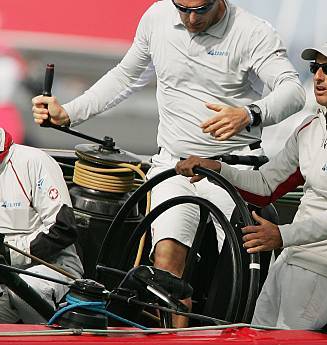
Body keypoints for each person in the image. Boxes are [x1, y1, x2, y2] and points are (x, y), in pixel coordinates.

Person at [31, 0, 305, 326]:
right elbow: (125, 77)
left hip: (233, 170)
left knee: (236, 276)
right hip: (175, 167)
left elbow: (293, 90)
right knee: (165, 270)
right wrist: (70, 112)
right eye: (182, 8)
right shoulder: (157, 18)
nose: (190, 19)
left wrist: (250, 114)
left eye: (200, 10)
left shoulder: (253, 32)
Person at [176, 37, 327, 330]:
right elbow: (267, 185)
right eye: (314, 67)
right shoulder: (309, 128)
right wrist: (216, 168)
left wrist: (282, 235)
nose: (318, 76)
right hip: (290, 260)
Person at [0, 127, 84, 323]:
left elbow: (63, 228)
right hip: (5, 277)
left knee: (25, 289)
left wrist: (8, 254)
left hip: (56, 268)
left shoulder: (33, 161)